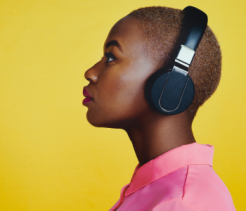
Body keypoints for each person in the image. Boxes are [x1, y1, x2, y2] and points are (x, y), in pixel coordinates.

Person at [82, 6, 236, 211]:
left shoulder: (181, 203)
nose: (90, 73)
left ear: (169, 84)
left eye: (111, 57)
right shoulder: (160, 190)